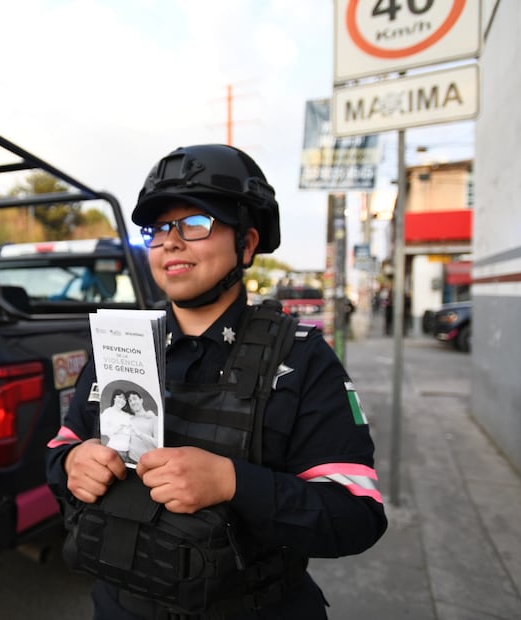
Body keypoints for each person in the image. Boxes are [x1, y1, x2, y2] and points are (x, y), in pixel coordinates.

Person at [46, 144, 387, 618]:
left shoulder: (301, 357)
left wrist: (232, 481)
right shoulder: (120, 342)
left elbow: (355, 515)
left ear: (246, 244)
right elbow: (61, 448)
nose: (170, 242)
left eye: (196, 222)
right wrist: (71, 465)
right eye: (159, 228)